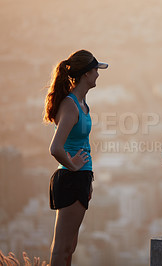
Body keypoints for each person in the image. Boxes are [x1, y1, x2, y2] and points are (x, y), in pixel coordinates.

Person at [43, 50, 108, 266]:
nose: (98, 75)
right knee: (62, 248)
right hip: (71, 178)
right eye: (96, 71)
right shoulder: (70, 105)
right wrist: (73, 166)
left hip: (79, 178)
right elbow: (55, 148)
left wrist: (87, 178)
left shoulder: (81, 103)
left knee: (70, 247)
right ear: (86, 74)